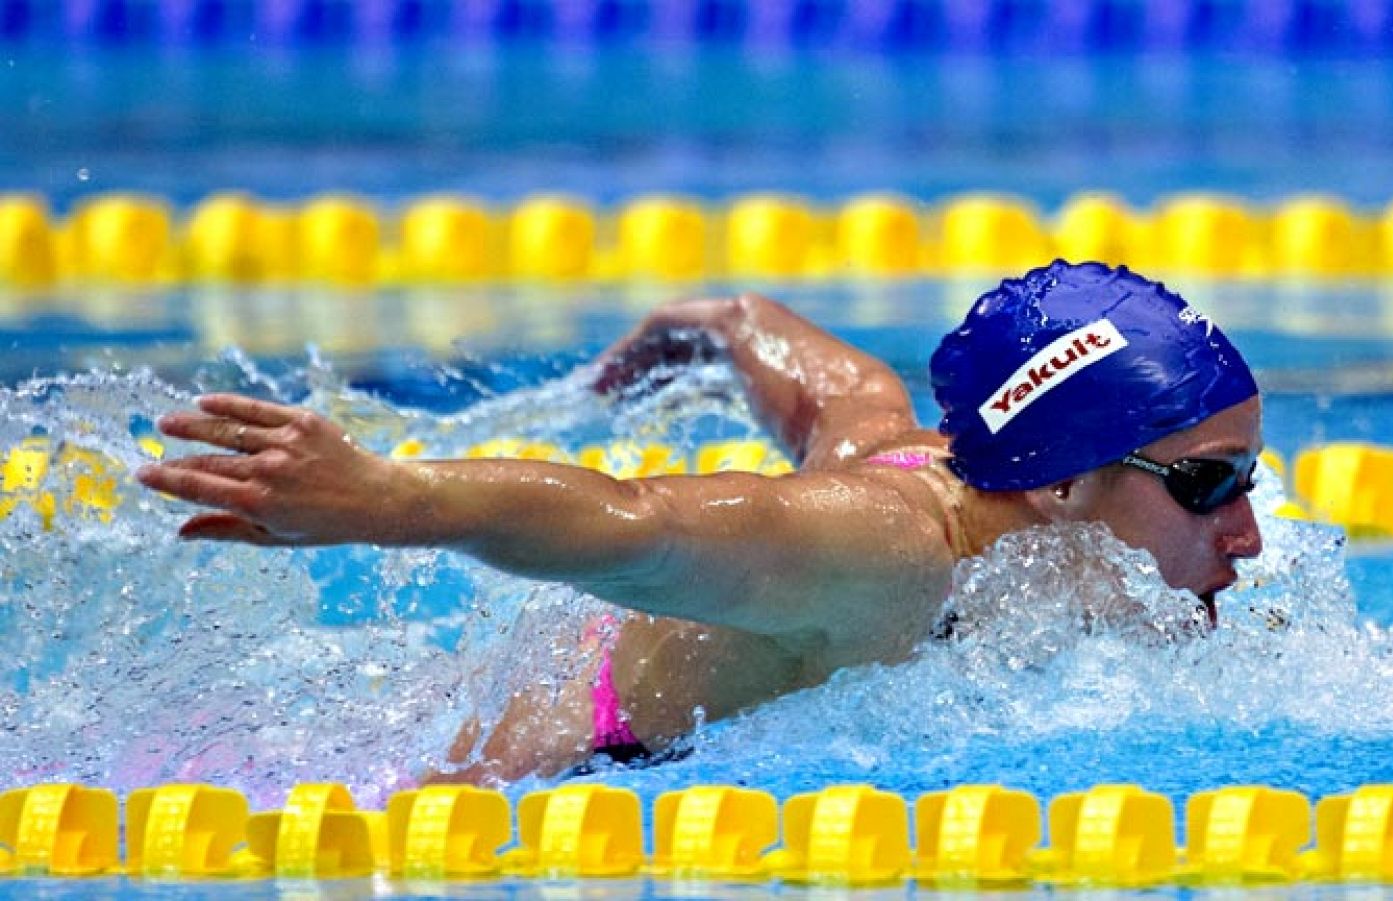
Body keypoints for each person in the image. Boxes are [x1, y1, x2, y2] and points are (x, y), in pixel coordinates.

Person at [135, 259, 1264, 782]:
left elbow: (838, 391)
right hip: (533, 776)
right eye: (1207, 484)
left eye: (1248, 479)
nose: (1249, 535)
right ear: (1059, 481)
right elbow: (639, 525)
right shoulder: (885, 550)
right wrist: (389, 500)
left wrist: (729, 320)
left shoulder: (943, 469)